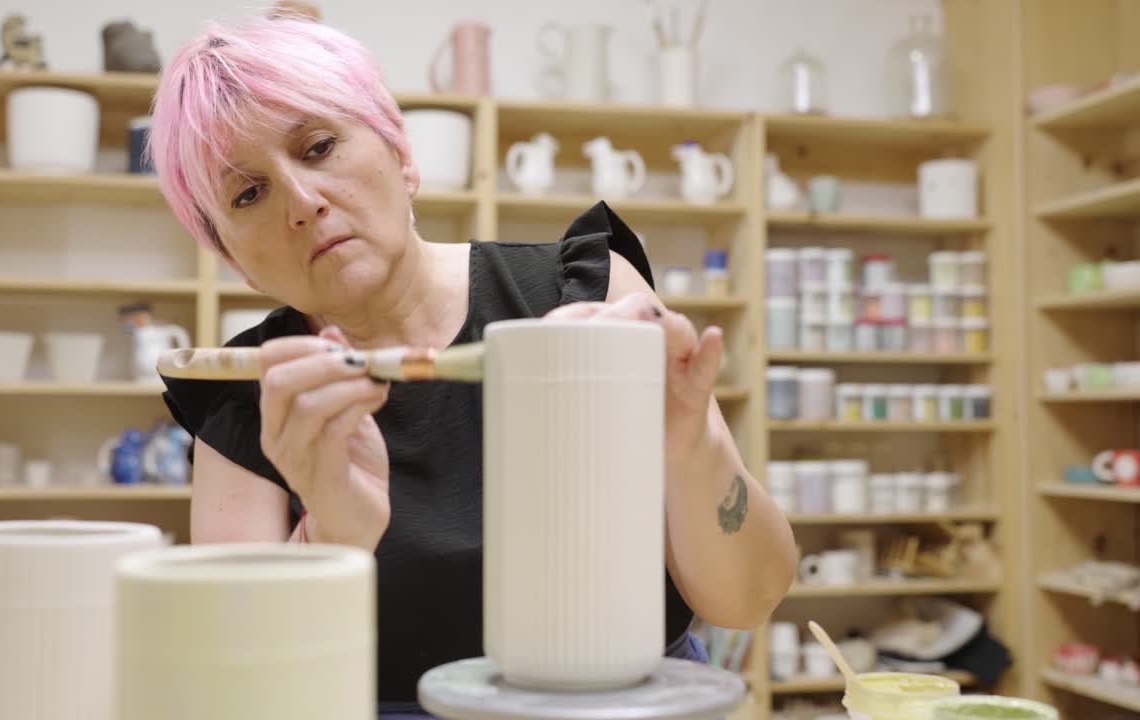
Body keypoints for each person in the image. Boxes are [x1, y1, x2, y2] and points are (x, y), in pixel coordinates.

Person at [150, 11, 797, 718]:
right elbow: (243, 696)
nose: (302, 203)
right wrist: (332, 537)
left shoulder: (587, 294)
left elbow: (748, 599)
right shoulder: (252, 392)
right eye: (248, 194)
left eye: (318, 146)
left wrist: (690, 446)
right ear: (232, 259)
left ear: (401, 152)